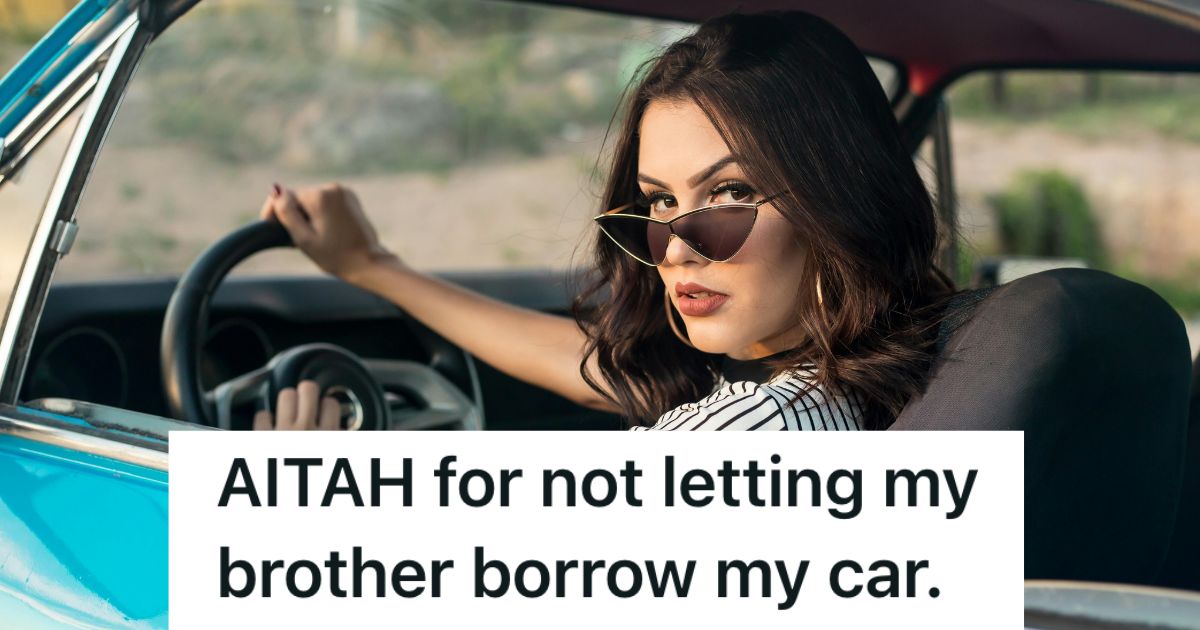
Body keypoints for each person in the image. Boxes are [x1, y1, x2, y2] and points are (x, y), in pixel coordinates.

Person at [253, 10, 955, 432]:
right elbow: (602, 367)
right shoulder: (879, 378)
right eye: (660, 202)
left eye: (731, 193)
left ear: (840, 203)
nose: (676, 250)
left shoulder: (740, 437)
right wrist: (370, 266)